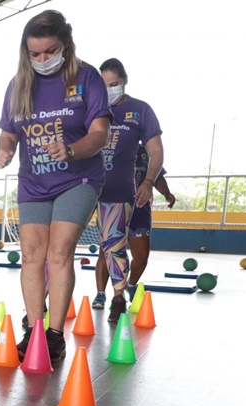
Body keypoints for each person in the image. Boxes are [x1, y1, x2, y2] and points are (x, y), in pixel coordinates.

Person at [0, 9, 111, 362]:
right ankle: (34, 331)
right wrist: (4, 149)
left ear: (65, 46)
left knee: (59, 253)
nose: (43, 59)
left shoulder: (86, 78)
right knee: (31, 255)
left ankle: (55, 334)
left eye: (50, 51)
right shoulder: (19, 85)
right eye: (35, 53)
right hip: (34, 181)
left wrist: (71, 149)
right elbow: (9, 131)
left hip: (79, 177)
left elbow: (100, 133)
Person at [90, 58, 163, 321]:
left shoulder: (140, 110)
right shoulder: (92, 108)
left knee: (114, 246)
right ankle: (39, 307)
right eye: (104, 85)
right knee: (56, 248)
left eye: (114, 84)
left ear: (124, 81)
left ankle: (118, 297)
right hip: (85, 189)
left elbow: (156, 152)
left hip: (119, 192)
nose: (109, 90)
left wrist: (148, 182)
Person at [94, 144, 175, 301]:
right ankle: (101, 294)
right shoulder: (109, 147)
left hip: (139, 207)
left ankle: (131, 285)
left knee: (142, 255)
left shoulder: (148, 151)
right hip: (112, 204)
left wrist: (166, 193)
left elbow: (157, 176)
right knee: (106, 252)